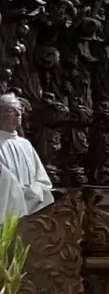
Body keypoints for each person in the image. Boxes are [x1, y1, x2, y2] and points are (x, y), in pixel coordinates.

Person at [0, 94, 55, 222]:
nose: (18, 114)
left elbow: (43, 181)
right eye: (10, 110)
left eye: (19, 110)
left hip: (31, 212)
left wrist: (33, 192)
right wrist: (17, 192)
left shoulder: (25, 144)